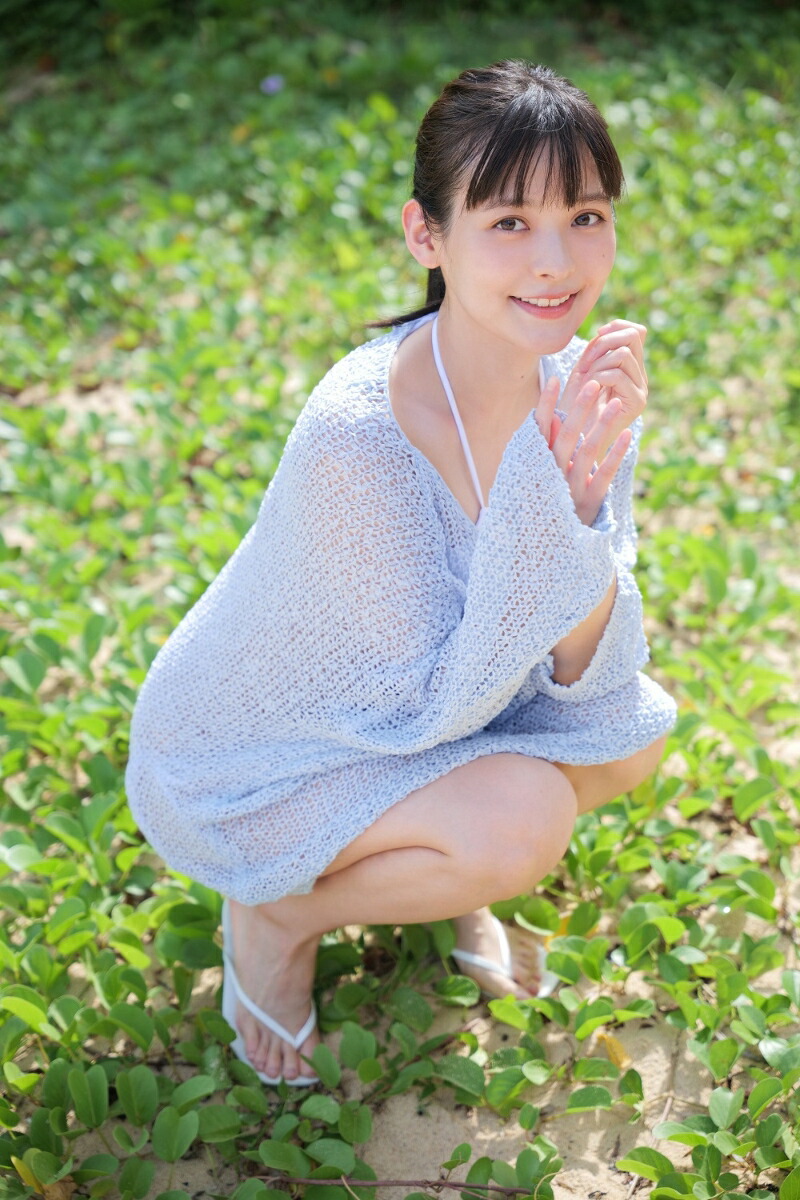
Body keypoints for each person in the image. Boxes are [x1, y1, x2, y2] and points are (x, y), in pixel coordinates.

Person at [126, 60, 677, 1088]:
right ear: (427, 235)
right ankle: (278, 914)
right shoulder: (361, 434)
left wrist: (577, 510)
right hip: (268, 756)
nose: (555, 260)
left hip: (429, 716)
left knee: (632, 737)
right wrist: (552, 520)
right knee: (522, 822)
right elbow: (423, 703)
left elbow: (586, 679)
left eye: (585, 216)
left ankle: (434, 871)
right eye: (507, 222)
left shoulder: (573, 386)